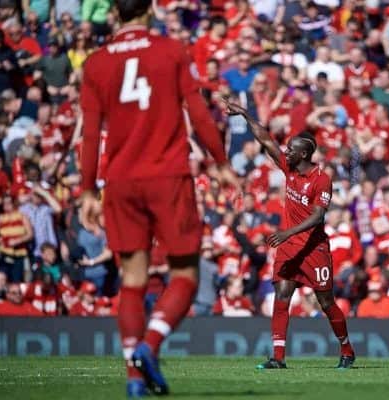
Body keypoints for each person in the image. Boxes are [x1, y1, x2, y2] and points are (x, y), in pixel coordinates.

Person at [79, 0, 237, 396]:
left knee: (132, 282)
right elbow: (198, 112)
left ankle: (134, 380)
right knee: (184, 274)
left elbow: (89, 133)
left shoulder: (96, 63)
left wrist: (85, 189)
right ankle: (149, 347)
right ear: (149, 9)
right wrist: (220, 161)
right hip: (168, 176)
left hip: (120, 181)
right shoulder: (171, 51)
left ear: (114, 13)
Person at [226, 100, 356, 370]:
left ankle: (346, 349)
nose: (286, 152)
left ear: (305, 154)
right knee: (282, 295)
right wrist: (245, 114)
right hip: (289, 247)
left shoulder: (322, 179)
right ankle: (278, 357)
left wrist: (287, 232)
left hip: (313, 248)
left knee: (326, 301)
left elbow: (318, 216)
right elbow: (265, 139)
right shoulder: (289, 168)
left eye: (292, 149)